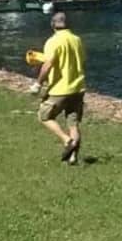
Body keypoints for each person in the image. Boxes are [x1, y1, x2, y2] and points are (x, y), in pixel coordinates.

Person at [30, 11, 86, 164]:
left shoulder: (53, 41)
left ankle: (66, 140)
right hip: (78, 87)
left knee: (44, 116)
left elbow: (49, 64)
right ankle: (73, 158)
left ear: (52, 25)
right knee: (73, 123)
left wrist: (38, 83)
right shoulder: (77, 40)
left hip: (60, 89)